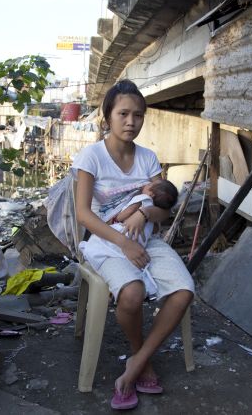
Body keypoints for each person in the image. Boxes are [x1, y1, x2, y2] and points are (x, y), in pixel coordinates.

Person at [73, 80, 194, 410]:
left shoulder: (148, 158)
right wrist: (124, 244)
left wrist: (143, 212)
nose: (131, 121)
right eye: (123, 113)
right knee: (132, 293)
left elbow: (163, 208)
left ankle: (136, 362)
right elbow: (84, 214)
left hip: (148, 239)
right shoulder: (92, 156)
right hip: (107, 241)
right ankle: (143, 358)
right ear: (108, 115)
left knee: (184, 290)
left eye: (138, 115)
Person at [78, 179, 178, 298]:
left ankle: (93, 250)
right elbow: (155, 228)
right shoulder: (153, 208)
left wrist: (117, 219)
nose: (147, 183)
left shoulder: (142, 199)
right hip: (140, 241)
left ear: (151, 194)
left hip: (125, 232)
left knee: (99, 242)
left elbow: (130, 210)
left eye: (150, 184)